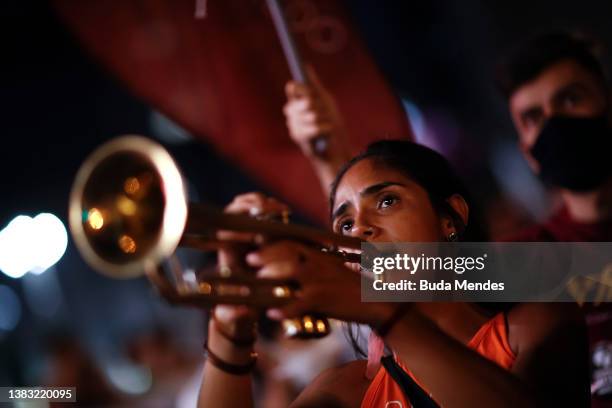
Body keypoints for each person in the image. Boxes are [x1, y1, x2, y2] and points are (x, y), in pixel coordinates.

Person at [198, 140, 590, 407]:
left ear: (451, 217)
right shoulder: (348, 391)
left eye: (386, 201)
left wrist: (387, 313)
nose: (362, 230)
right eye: (345, 225)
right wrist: (230, 326)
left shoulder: (538, 326)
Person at [496, 32, 612, 404]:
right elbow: (396, 276)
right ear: (528, 154)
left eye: (571, 99)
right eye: (534, 117)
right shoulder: (522, 260)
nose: (555, 124)